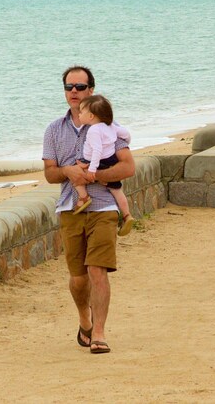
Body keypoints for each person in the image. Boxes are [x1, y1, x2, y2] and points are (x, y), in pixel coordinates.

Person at [43, 65, 135, 355]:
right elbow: (49, 173)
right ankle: (85, 318)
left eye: (80, 87)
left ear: (91, 90)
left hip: (104, 206)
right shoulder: (53, 130)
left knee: (97, 270)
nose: (74, 92)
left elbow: (128, 167)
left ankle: (99, 332)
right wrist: (70, 172)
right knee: (78, 277)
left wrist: (95, 176)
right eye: (69, 87)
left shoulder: (109, 126)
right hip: (71, 206)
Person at [73, 96, 134, 241]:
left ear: (91, 116)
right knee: (117, 191)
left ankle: (83, 197)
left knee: (76, 175)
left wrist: (92, 169)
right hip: (111, 159)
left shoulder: (93, 130)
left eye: (81, 112)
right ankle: (127, 215)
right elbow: (126, 134)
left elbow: (97, 150)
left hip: (97, 161)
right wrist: (127, 142)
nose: (79, 114)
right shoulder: (110, 126)